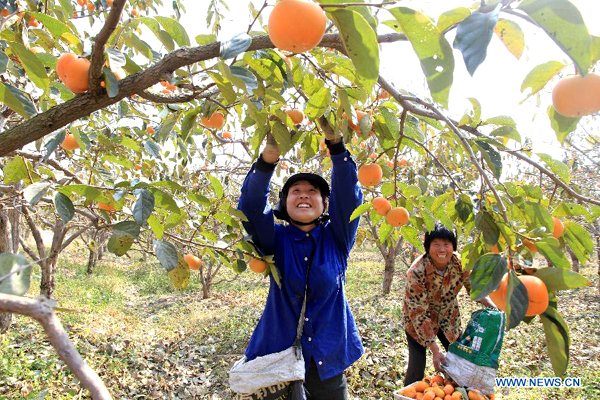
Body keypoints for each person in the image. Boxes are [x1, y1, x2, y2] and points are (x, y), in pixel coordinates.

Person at [237, 115, 363, 399]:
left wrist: (338, 149)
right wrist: (267, 161)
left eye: (312, 192)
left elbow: (350, 200)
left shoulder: (337, 239)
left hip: (327, 357)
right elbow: (251, 210)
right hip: (278, 358)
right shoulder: (276, 240)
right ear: (284, 203)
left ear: (325, 204)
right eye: (296, 191)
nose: (304, 196)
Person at [402, 222, 496, 386]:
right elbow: (418, 314)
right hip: (418, 325)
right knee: (416, 371)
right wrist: (435, 350)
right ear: (427, 246)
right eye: (436, 244)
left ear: (453, 246)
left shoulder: (460, 263)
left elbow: (473, 288)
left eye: (446, 244)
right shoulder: (416, 272)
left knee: (461, 364)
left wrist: (492, 307)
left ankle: (459, 394)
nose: (442, 250)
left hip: (448, 321)